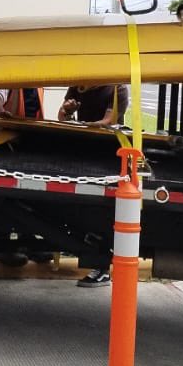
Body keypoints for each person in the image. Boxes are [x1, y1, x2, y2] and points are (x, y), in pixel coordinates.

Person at [58, 83, 132, 287]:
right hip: (83, 152)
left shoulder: (118, 89)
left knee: (101, 212)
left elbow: (108, 121)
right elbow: (62, 117)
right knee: (82, 208)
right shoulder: (79, 84)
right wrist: (68, 111)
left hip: (107, 155)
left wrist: (81, 125)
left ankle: (102, 267)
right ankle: (88, 252)